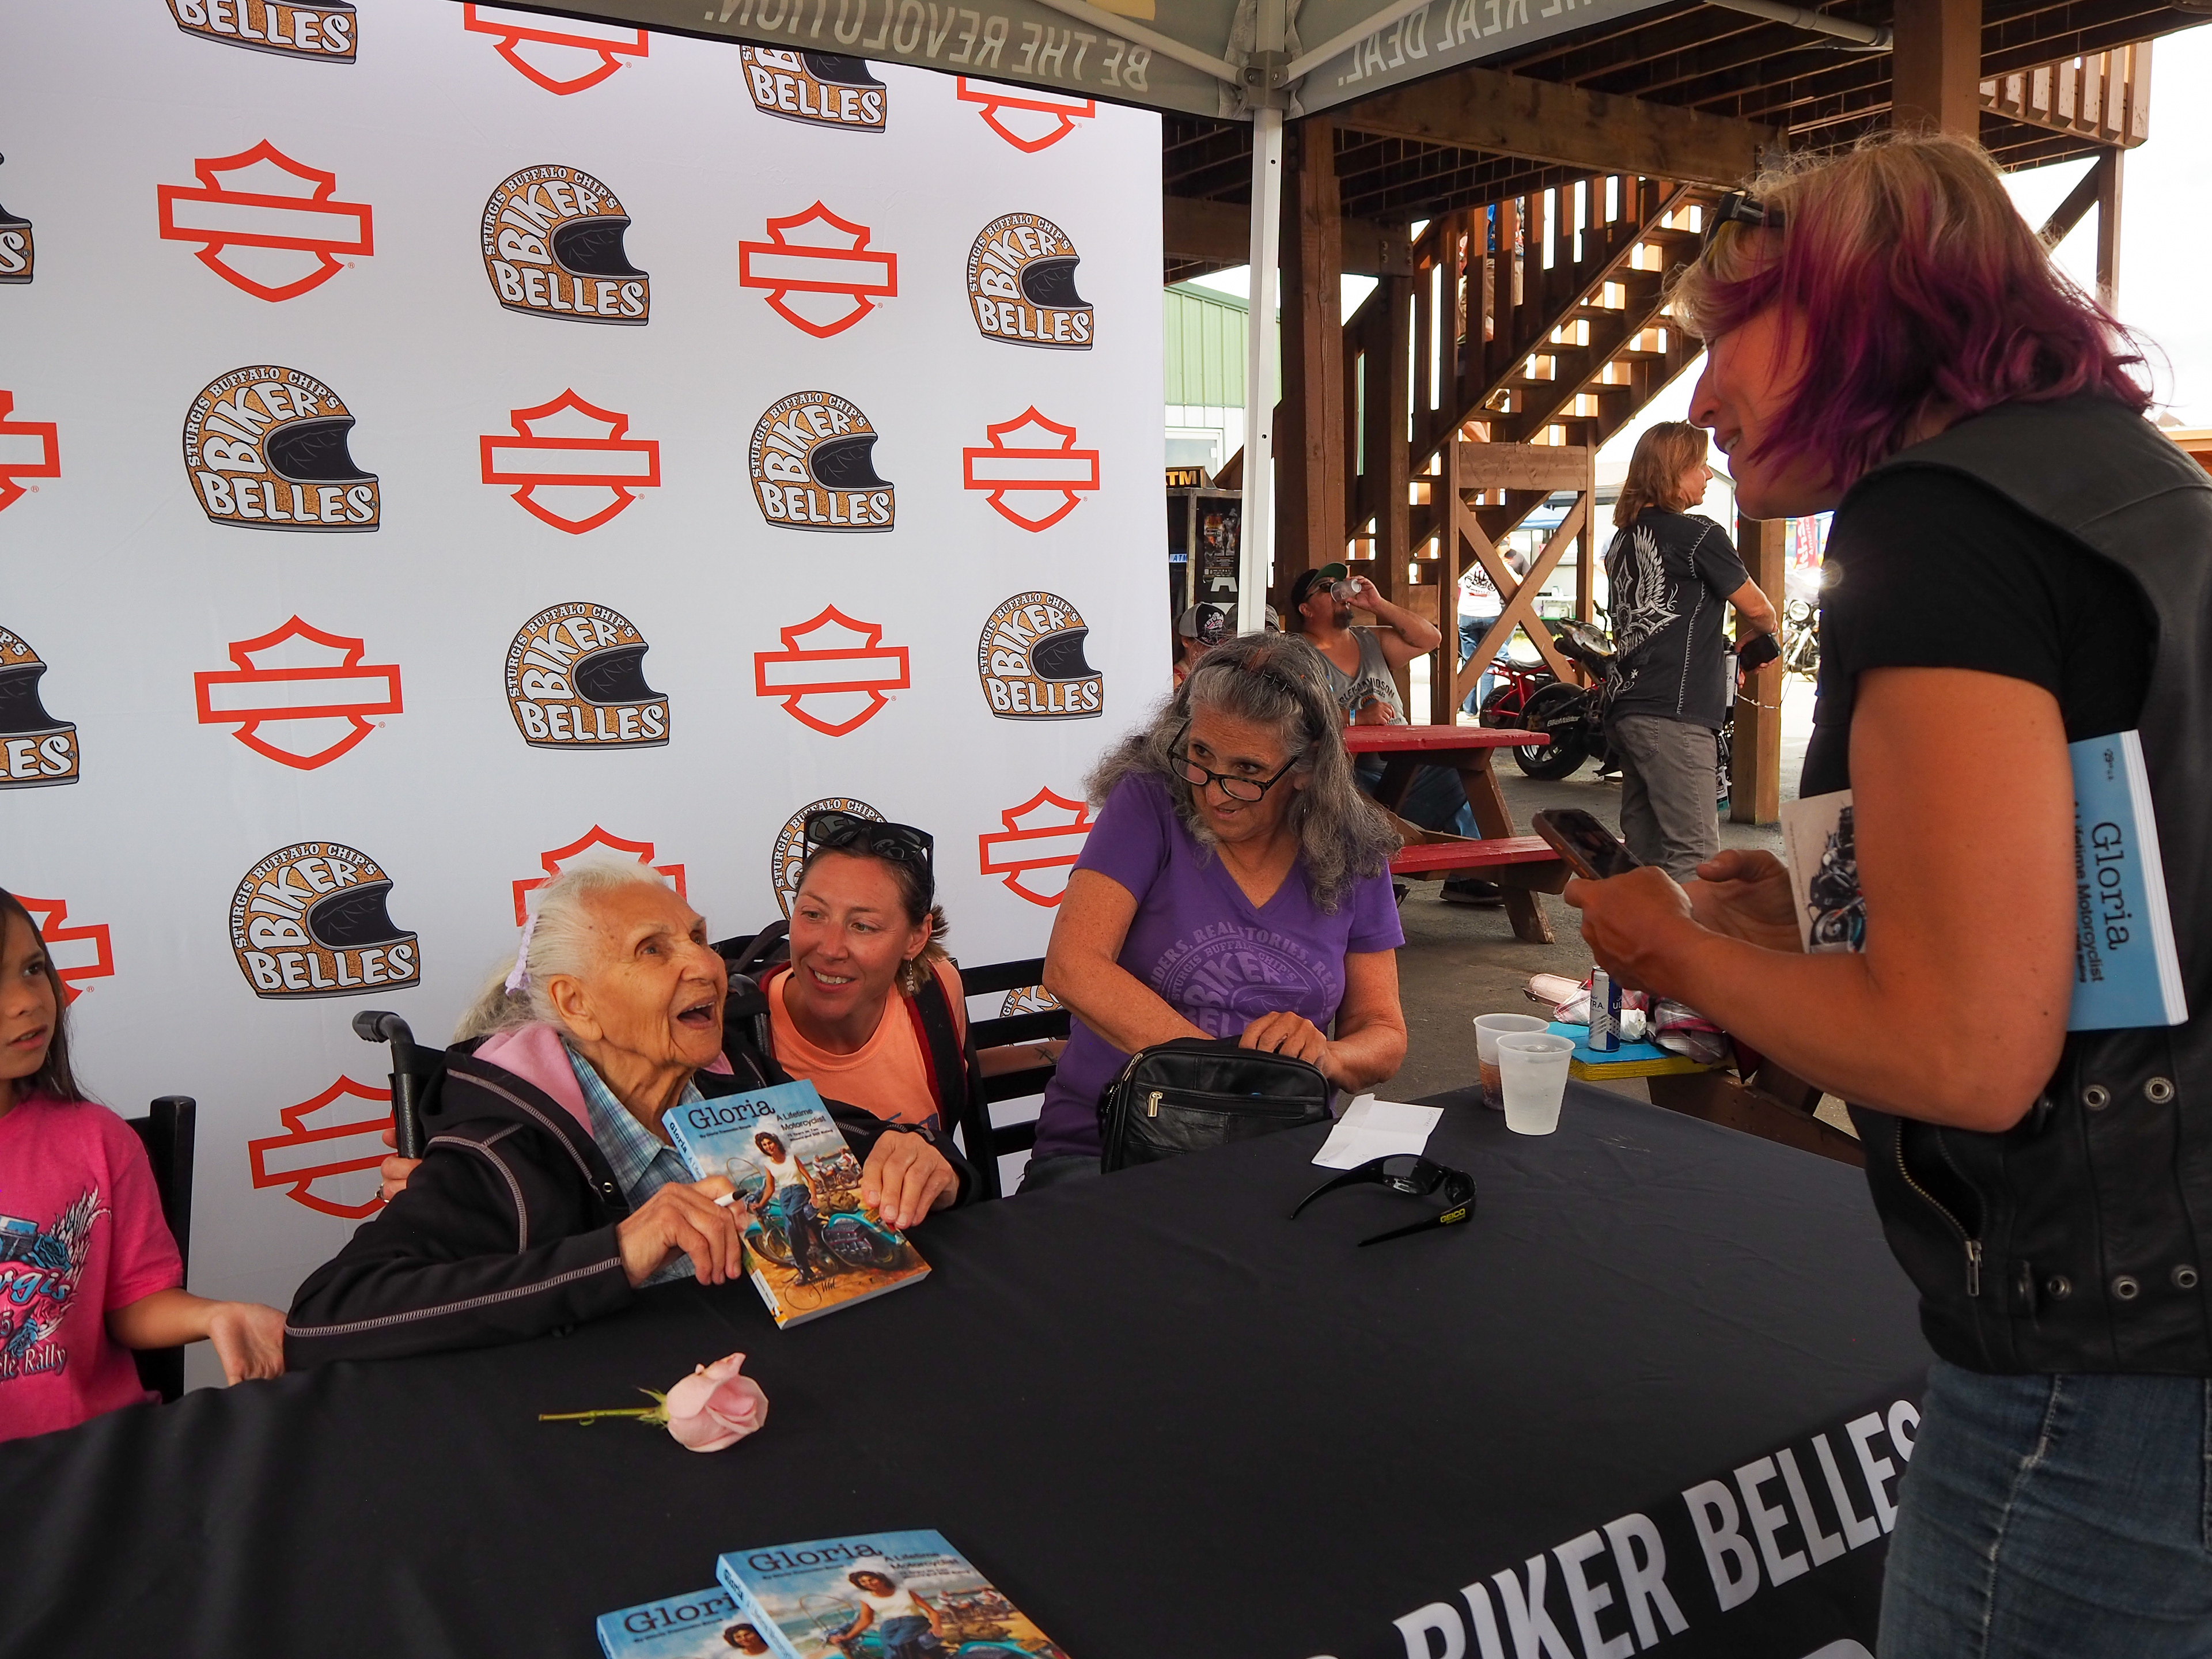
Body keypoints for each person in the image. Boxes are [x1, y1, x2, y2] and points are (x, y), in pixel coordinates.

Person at [1565, 133, 2210, 1656]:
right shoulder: (2136, 485)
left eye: (1727, 335)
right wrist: (1826, 931)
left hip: (2094, 1349)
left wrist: (1672, 950)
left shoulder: (1937, 527)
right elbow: (2124, 900)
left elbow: (1960, 1056)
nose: (1702, 397)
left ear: (1853, 311)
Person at [290, 862, 967, 1365]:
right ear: (577, 1005)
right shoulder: (506, 1142)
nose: (705, 965)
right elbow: (325, 1319)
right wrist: (617, 1254)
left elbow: (880, 1143)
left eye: (697, 937)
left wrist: (924, 1156)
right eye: (653, 949)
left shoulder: (733, 1080)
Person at [1024, 634, 1409, 1187]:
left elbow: (1383, 1033)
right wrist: (1226, 1078)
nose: (1214, 792)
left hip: (1276, 1148)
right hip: (1112, 1145)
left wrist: (1327, 1057)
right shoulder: (1151, 801)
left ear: (1306, 768)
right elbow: (1073, 967)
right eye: (1200, 755)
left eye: (1248, 770)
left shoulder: (1352, 850)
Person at [0, 889, 284, 1441]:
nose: (27, 1001)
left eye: (33, 968)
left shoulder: (96, 1139)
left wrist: (214, 1316)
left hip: (106, 1454)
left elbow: (135, 1300)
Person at [1601, 421, 1778, 880]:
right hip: (1676, 712)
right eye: (1699, 465)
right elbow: (1760, 610)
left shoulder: (1621, 540)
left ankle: (1633, 930)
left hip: (1627, 707)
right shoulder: (1700, 534)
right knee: (1696, 856)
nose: (1707, 475)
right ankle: (1686, 932)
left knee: (1643, 856)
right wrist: (1753, 638)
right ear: (1672, 471)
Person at [1291, 560, 1499, 905]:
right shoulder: (1298, 653)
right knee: (1335, 797)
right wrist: (1356, 716)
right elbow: (1294, 714)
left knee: (1465, 777)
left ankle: (1468, 876)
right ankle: (1368, 887)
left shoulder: (1370, 638)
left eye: (1340, 585)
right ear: (1306, 608)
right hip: (1346, 767)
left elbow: (1430, 638)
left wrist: (1377, 604)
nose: (1340, 593)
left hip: (1403, 760)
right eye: (1327, 588)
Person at [831, 1567, 945, 1659]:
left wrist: (936, 1626)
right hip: (889, 1625)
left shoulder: (904, 1592)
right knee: (890, 1654)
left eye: (871, 1580)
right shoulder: (866, 1599)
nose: (868, 1583)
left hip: (914, 1621)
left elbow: (932, 1612)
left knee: (898, 1644)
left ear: (882, 1579)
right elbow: (866, 1620)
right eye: (863, 1582)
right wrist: (848, 1636)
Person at [1173, 602, 1226, 687]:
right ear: (1186, 641)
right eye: (1208, 644)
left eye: (1219, 644)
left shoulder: (1214, 672)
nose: (1215, 649)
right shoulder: (1176, 681)